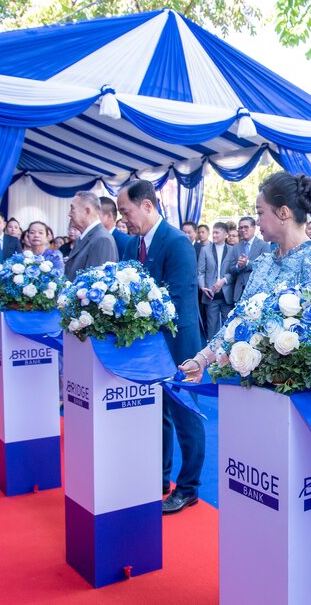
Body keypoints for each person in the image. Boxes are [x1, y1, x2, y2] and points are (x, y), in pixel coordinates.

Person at [178, 172, 311, 381]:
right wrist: (201, 360)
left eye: (260, 213)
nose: (257, 220)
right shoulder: (264, 263)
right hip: (251, 381)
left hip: (294, 387)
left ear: (283, 213)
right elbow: (236, 321)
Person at [117, 180, 204, 515]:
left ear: (147, 205)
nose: (124, 219)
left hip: (178, 343)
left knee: (185, 415)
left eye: (126, 211)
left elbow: (178, 301)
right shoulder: (131, 244)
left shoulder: (177, 242)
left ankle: (189, 487)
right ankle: (158, 477)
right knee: (157, 413)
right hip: (148, 346)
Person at [63, 191, 118, 281]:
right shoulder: (83, 238)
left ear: (87, 211)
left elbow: (96, 283)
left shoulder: (102, 240)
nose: (69, 214)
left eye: (72, 209)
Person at [197, 222, 235, 339]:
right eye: (213, 233)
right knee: (211, 327)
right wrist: (202, 287)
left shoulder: (233, 250)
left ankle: (227, 348)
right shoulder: (205, 250)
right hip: (210, 293)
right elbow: (200, 271)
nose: (214, 235)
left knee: (228, 326)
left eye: (217, 233)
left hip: (227, 293)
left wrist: (224, 280)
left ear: (225, 234)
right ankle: (211, 349)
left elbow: (234, 272)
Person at [229, 217, 271, 303]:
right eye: (240, 228)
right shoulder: (236, 247)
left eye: (246, 227)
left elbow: (266, 267)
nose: (243, 230)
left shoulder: (264, 245)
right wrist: (238, 266)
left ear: (254, 228)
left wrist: (247, 263)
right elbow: (231, 269)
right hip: (239, 292)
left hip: (256, 293)